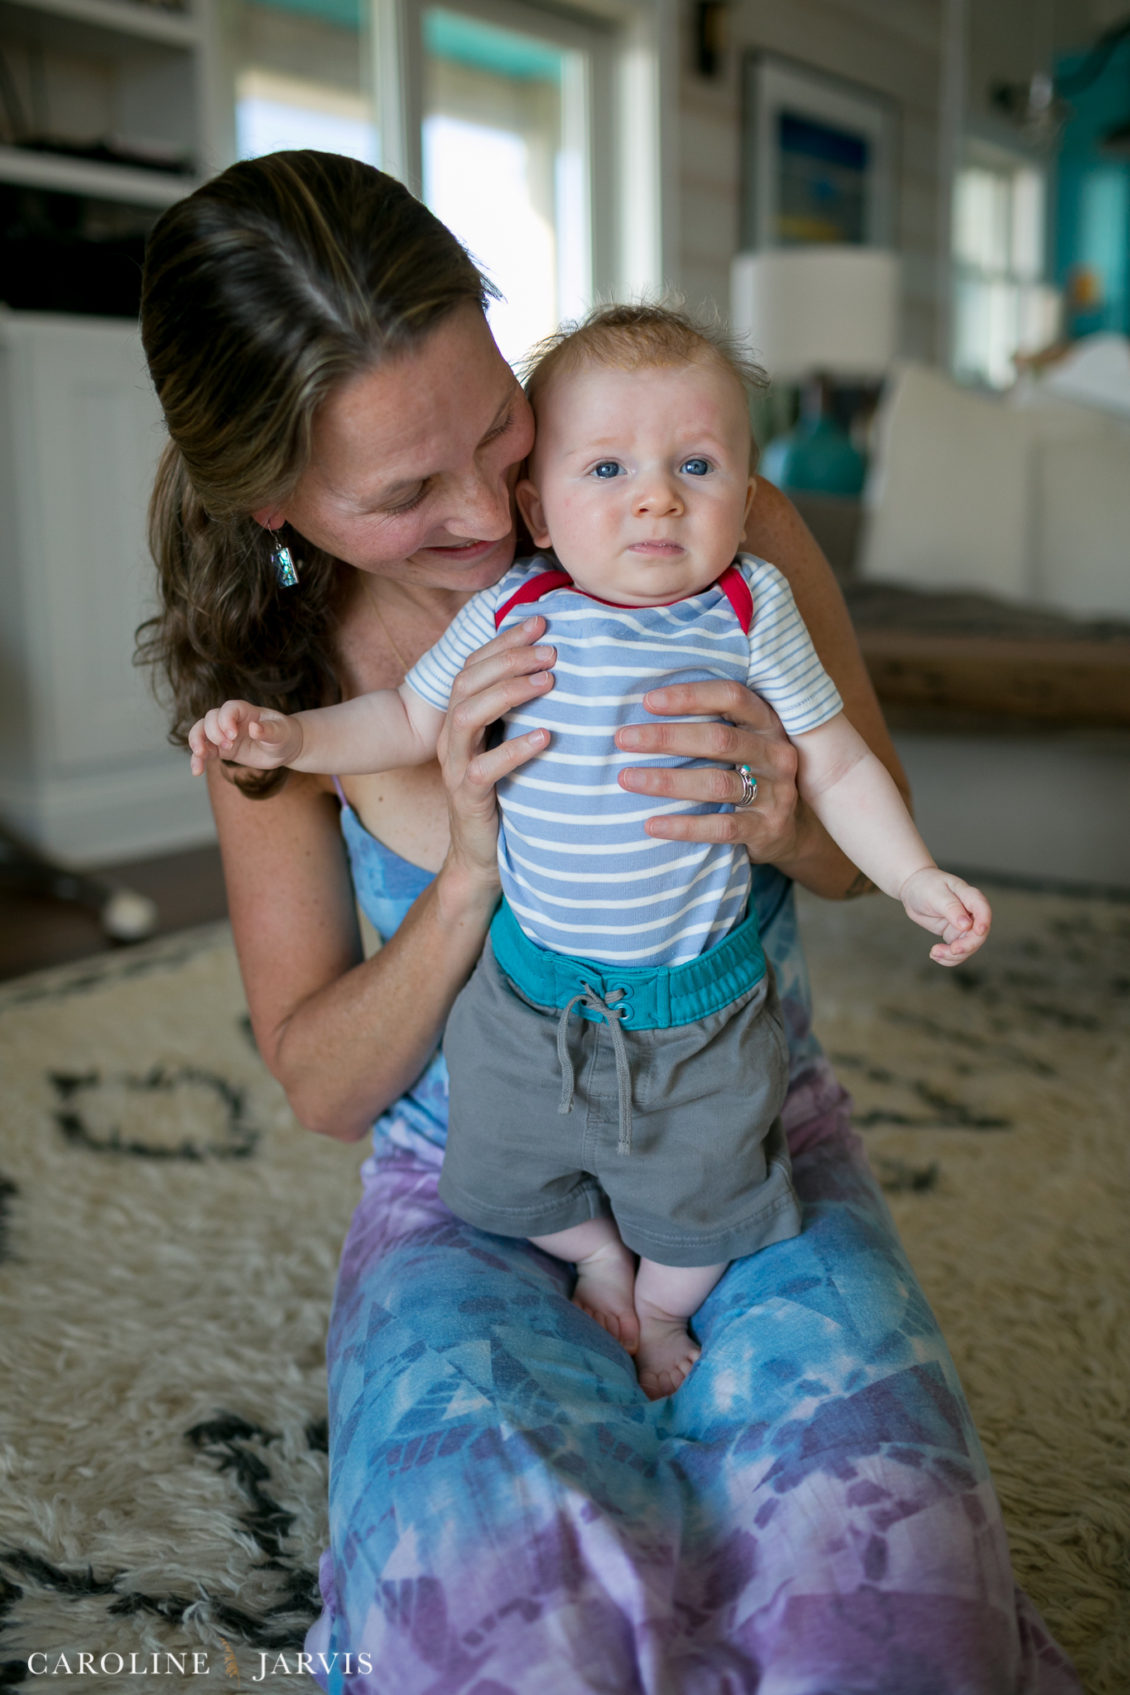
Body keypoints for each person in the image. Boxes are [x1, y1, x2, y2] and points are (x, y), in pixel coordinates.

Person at [138, 150, 1079, 1692]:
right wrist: (469, 874)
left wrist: (785, 816)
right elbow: (321, 1082)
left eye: (495, 424)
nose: (488, 506)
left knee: (890, 1599)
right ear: (276, 503)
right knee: (510, 1626)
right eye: (401, 493)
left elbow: (860, 831)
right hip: (475, 1185)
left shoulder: (710, 520)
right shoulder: (278, 674)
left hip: (743, 1127)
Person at [186, 303, 991, 1401]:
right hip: (526, 1010)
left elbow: (842, 769)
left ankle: (655, 1305)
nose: (655, 496)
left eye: (697, 466)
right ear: (547, 506)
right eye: (607, 468)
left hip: (703, 1021)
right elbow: (401, 721)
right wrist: (287, 740)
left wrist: (906, 872)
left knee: (728, 1234)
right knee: (508, 1174)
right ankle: (598, 1259)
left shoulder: (747, 603)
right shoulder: (522, 608)